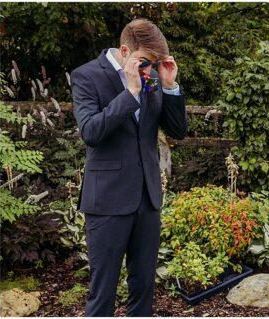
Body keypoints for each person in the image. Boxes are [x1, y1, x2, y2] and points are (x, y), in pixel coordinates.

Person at [71, 18, 187, 316]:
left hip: (147, 200)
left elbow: (177, 130)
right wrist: (131, 93)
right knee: (103, 292)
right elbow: (91, 132)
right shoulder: (86, 76)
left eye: (157, 62)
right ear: (125, 50)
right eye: (148, 62)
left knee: (144, 288)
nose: (152, 69)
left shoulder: (154, 75)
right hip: (107, 201)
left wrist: (171, 85)